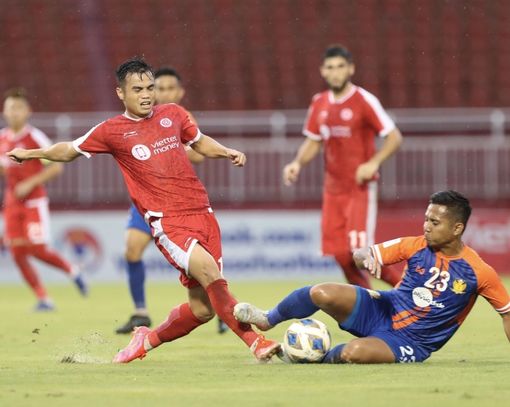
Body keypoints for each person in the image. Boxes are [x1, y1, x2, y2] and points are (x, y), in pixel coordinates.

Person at [7, 57, 280, 362]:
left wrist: (226, 151)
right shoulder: (112, 130)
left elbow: (200, 143)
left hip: (203, 213)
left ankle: (145, 340)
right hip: (168, 221)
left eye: (150, 87)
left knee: (202, 309)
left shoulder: (173, 114)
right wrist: (31, 153)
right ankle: (256, 342)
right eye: (138, 89)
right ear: (121, 93)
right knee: (209, 272)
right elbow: (69, 150)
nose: (147, 94)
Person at [234, 190, 510, 363]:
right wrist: (366, 259)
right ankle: (268, 319)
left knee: (352, 353)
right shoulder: (414, 245)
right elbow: (361, 253)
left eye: (434, 222)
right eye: (426, 219)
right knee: (321, 292)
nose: (425, 226)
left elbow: (506, 312)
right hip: (383, 309)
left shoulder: (479, 272)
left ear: (457, 228)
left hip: (411, 342)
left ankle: (302, 356)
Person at [116, 67, 226, 335]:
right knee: (131, 250)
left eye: (168, 89)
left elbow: (199, 154)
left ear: (179, 92)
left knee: (205, 265)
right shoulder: (138, 118)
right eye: (159, 88)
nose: (162, 93)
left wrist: (168, 149)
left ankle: (223, 308)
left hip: (177, 202)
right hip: (147, 199)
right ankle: (140, 311)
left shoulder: (179, 116)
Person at [283, 44, 403, 289]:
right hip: (333, 190)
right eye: (330, 67)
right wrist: (297, 163)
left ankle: (406, 290)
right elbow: (314, 141)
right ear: (322, 72)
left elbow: (394, 137)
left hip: (358, 189)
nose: (335, 72)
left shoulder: (364, 100)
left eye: (340, 67)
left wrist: (373, 163)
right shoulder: (319, 102)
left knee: (359, 254)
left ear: (351, 69)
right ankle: (367, 306)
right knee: (340, 255)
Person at [0, 88, 87, 311]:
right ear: (5, 111)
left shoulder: (34, 137)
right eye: (10, 108)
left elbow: (56, 167)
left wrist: (30, 182)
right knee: (17, 252)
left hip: (34, 202)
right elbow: (6, 168)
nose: (14, 112)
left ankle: (72, 270)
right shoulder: (2, 138)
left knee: (37, 249)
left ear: (28, 111)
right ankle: (43, 298)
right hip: (12, 203)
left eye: (19, 108)